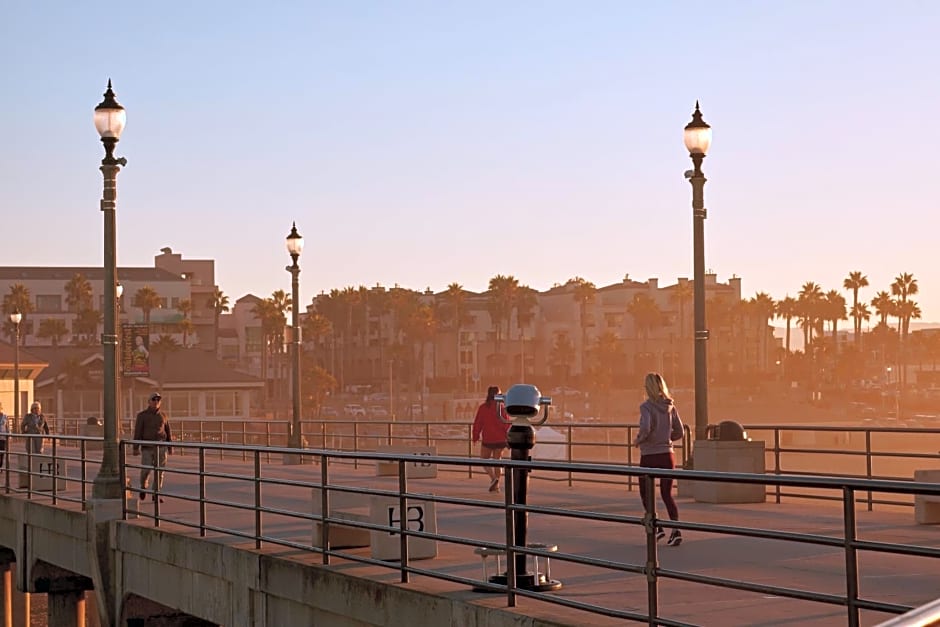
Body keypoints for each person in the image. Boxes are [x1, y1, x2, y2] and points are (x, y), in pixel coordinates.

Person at [634, 372, 685, 546]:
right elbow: (680, 432)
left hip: (649, 455)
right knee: (666, 494)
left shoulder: (646, 407)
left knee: (645, 492)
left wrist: (639, 440)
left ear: (648, 388)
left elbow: (646, 427)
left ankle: (657, 528)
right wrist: (666, 439)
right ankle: (676, 530)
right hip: (667, 455)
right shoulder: (671, 406)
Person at [133, 392, 173, 501]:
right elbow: (138, 432)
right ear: (149, 402)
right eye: (154, 400)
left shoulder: (163, 415)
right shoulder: (142, 416)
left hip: (161, 447)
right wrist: (135, 447)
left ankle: (156, 493)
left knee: (159, 472)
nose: (156, 402)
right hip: (147, 447)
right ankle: (143, 486)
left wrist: (170, 446)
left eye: (158, 400)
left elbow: (168, 430)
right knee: (146, 470)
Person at [472, 385, 511, 492]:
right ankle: (497, 483)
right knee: (497, 461)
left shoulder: (483, 408)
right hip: (500, 439)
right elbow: (506, 424)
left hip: (488, 439)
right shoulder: (502, 408)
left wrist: (475, 436)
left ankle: (493, 478)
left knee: (484, 460)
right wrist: (508, 439)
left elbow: (478, 423)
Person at [0, 402, 8, 468]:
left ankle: (0, 466)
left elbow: (7, 427)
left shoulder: (5, 416)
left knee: (2, 453)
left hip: (3, 437)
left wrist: (9, 435)